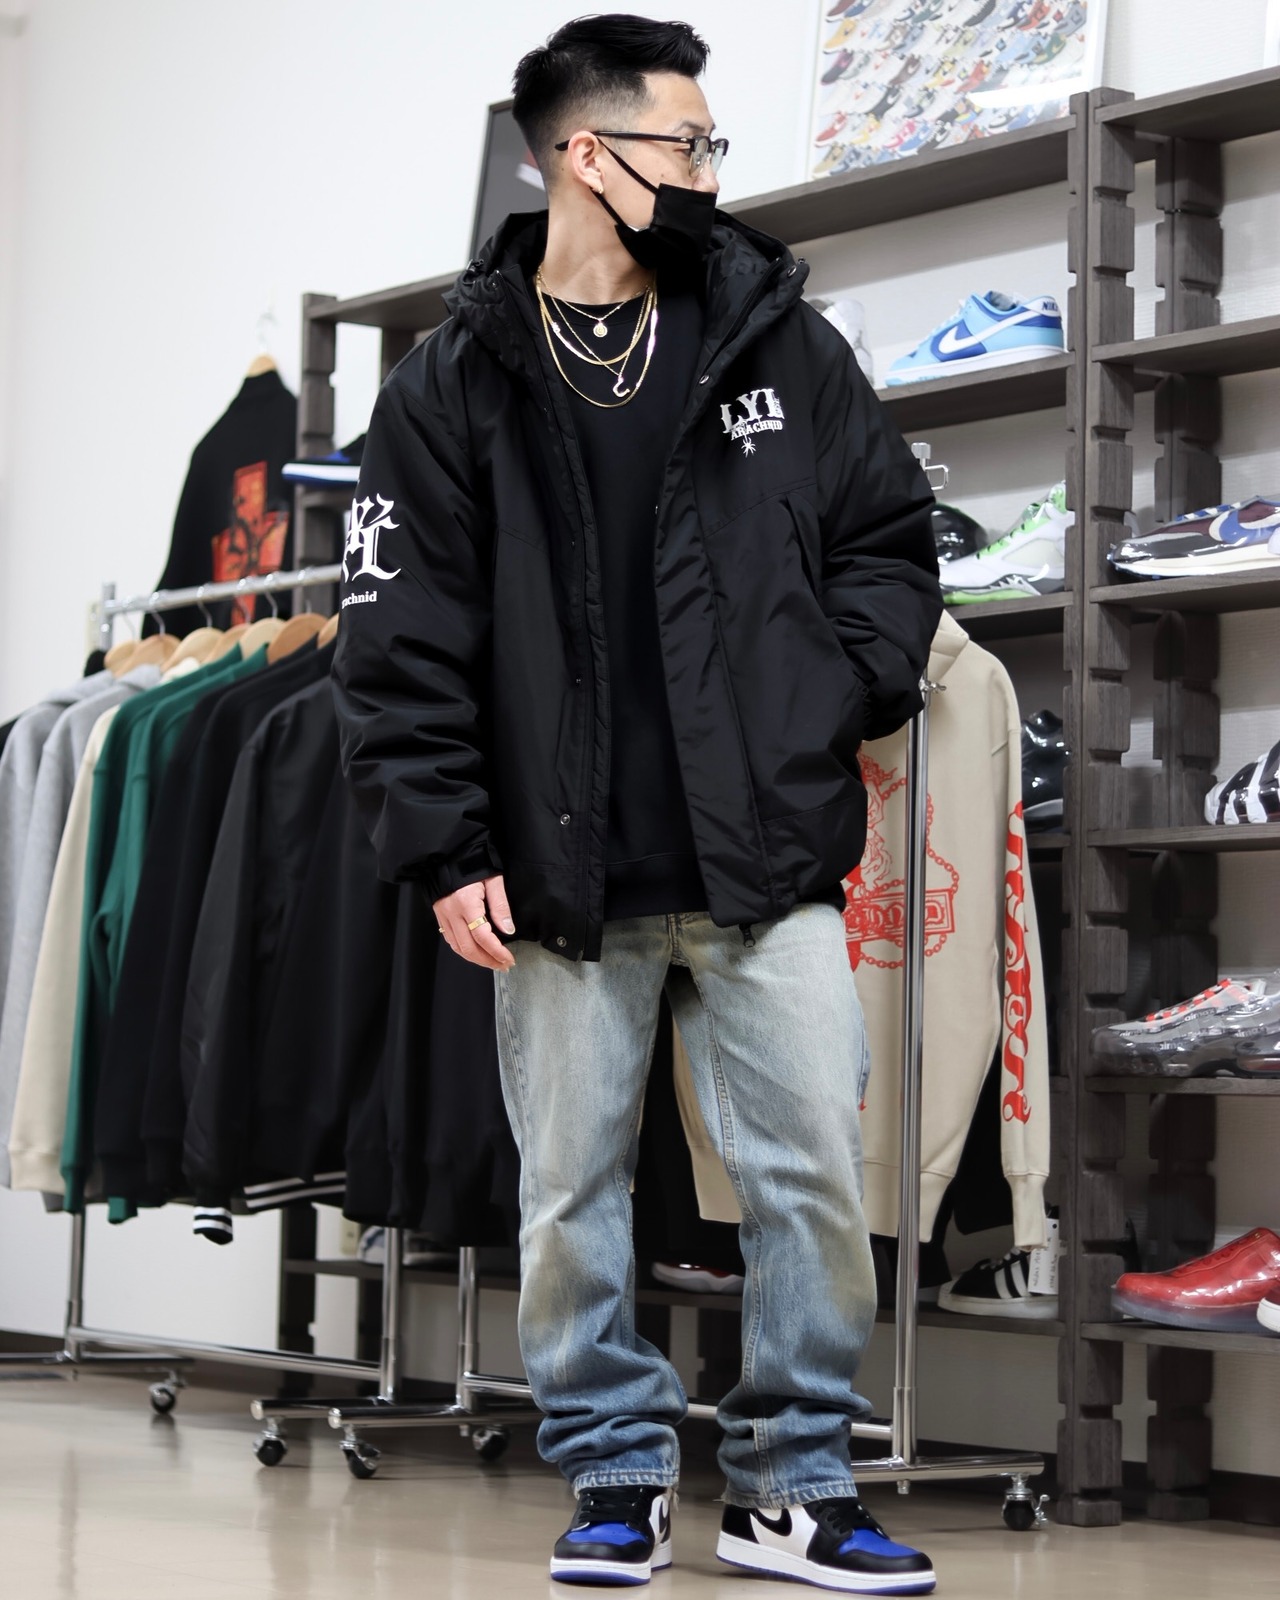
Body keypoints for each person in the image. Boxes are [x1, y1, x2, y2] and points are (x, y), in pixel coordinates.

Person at [333, 14, 942, 1592]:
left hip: (766, 851)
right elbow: (396, 639)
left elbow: (890, 543)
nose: (713, 171)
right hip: (558, 870)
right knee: (570, 1193)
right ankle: (613, 1473)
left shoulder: (775, 339)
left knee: (814, 1174)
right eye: (692, 143)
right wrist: (447, 843)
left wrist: (829, 694)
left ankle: (792, 1487)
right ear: (590, 157)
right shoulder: (452, 384)